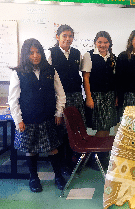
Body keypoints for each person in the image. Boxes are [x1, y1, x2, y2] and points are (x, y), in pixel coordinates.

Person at [8, 38, 67, 192]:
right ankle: (33, 177)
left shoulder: (50, 70)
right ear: (25, 55)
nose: (35, 56)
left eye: (38, 52)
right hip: (28, 119)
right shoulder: (18, 73)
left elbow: (60, 93)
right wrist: (18, 120)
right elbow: (13, 100)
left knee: (53, 147)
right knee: (31, 149)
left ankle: (58, 176)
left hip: (48, 116)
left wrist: (59, 112)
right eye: (31, 53)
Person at [48, 24, 84, 174]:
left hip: (75, 95)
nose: (68, 39)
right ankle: (63, 164)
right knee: (62, 129)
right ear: (57, 37)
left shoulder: (76, 53)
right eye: (64, 36)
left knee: (74, 129)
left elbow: (80, 73)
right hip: (59, 97)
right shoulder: (51, 53)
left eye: (70, 36)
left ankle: (73, 159)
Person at [81, 31, 117, 137]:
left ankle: (101, 152)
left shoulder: (112, 57)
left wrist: (116, 97)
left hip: (110, 96)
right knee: (102, 126)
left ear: (109, 44)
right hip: (96, 96)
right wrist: (89, 98)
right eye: (99, 42)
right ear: (95, 42)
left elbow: (114, 79)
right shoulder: (89, 55)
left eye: (106, 42)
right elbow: (86, 78)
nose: (102, 45)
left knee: (107, 126)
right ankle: (96, 151)